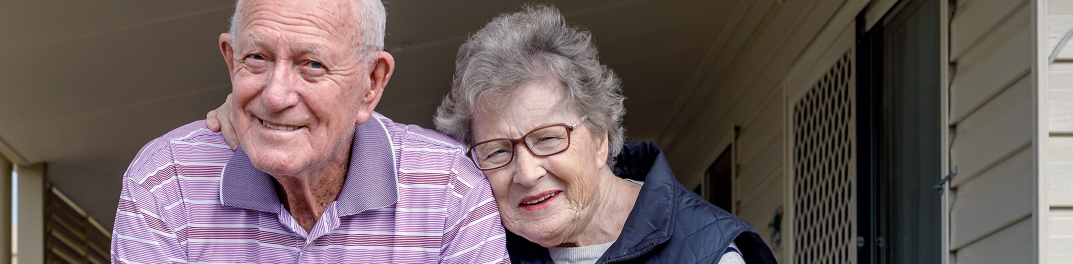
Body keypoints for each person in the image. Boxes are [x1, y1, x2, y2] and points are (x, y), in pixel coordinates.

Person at [208, 4, 777, 263]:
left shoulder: (709, 255)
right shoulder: (486, 241)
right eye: (498, 151)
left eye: (549, 138)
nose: (526, 172)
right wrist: (273, 121)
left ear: (602, 134)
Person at [109, 0, 510, 263]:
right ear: (231, 60)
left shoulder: (448, 189)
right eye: (257, 58)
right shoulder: (166, 181)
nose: (276, 95)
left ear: (372, 82)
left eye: (312, 64)